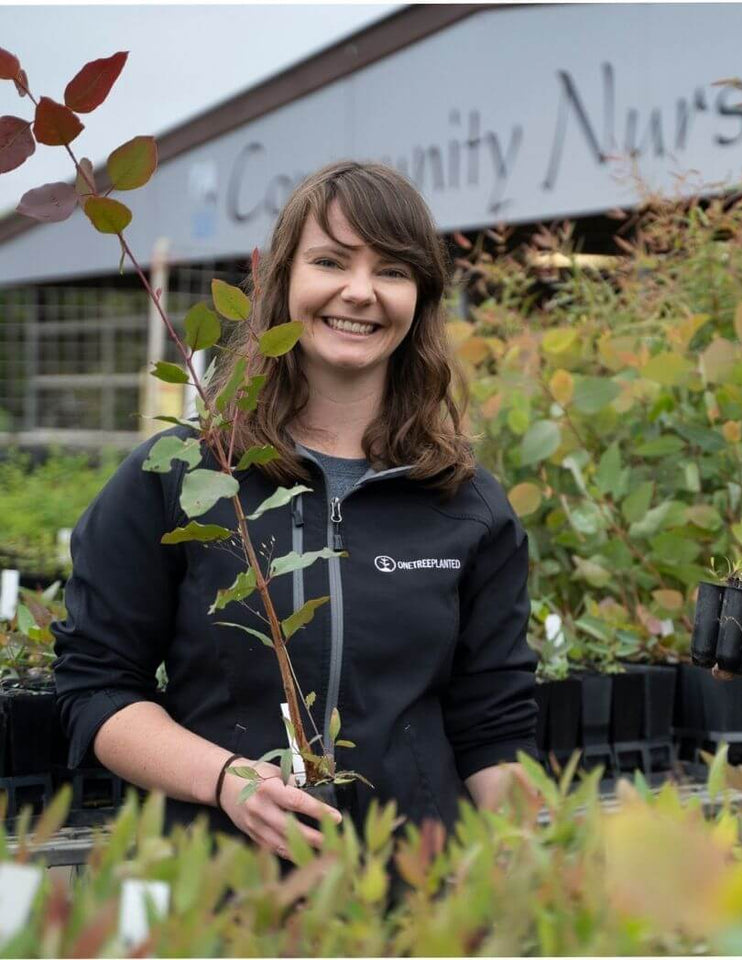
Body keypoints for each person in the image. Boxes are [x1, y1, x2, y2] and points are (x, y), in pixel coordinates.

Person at [52, 161, 538, 858]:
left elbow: (495, 727)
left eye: (393, 270)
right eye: (330, 261)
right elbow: (96, 689)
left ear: (421, 300)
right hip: (224, 887)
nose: (360, 291)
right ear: (281, 280)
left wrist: (522, 864)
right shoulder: (185, 476)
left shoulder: (464, 502)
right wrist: (227, 780)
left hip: (416, 889)